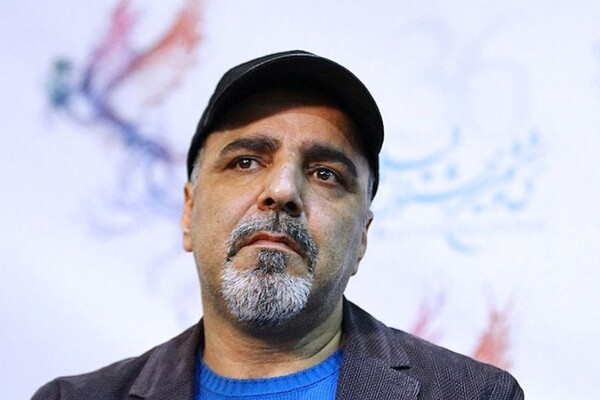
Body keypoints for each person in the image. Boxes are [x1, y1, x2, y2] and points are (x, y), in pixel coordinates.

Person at [32, 50, 524, 399]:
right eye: (246, 161)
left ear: (361, 240)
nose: (283, 190)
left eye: (326, 174)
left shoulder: (476, 395)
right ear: (188, 212)